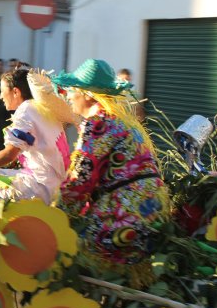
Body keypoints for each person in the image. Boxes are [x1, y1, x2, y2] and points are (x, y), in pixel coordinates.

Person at [52, 59, 170, 274]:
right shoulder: (123, 121)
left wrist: (55, 217)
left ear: (87, 94)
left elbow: (79, 181)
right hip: (155, 209)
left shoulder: (97, 124)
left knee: (73, 253)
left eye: (71, 90)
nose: (68, 95)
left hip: (127, 216)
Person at [0, 68, 75, 205]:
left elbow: (9, 155)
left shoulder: (25, 110)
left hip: (39, 187)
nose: (1, 96)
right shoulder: (41, 109)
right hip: (52, 186)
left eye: (2, 91)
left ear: (15, 92)